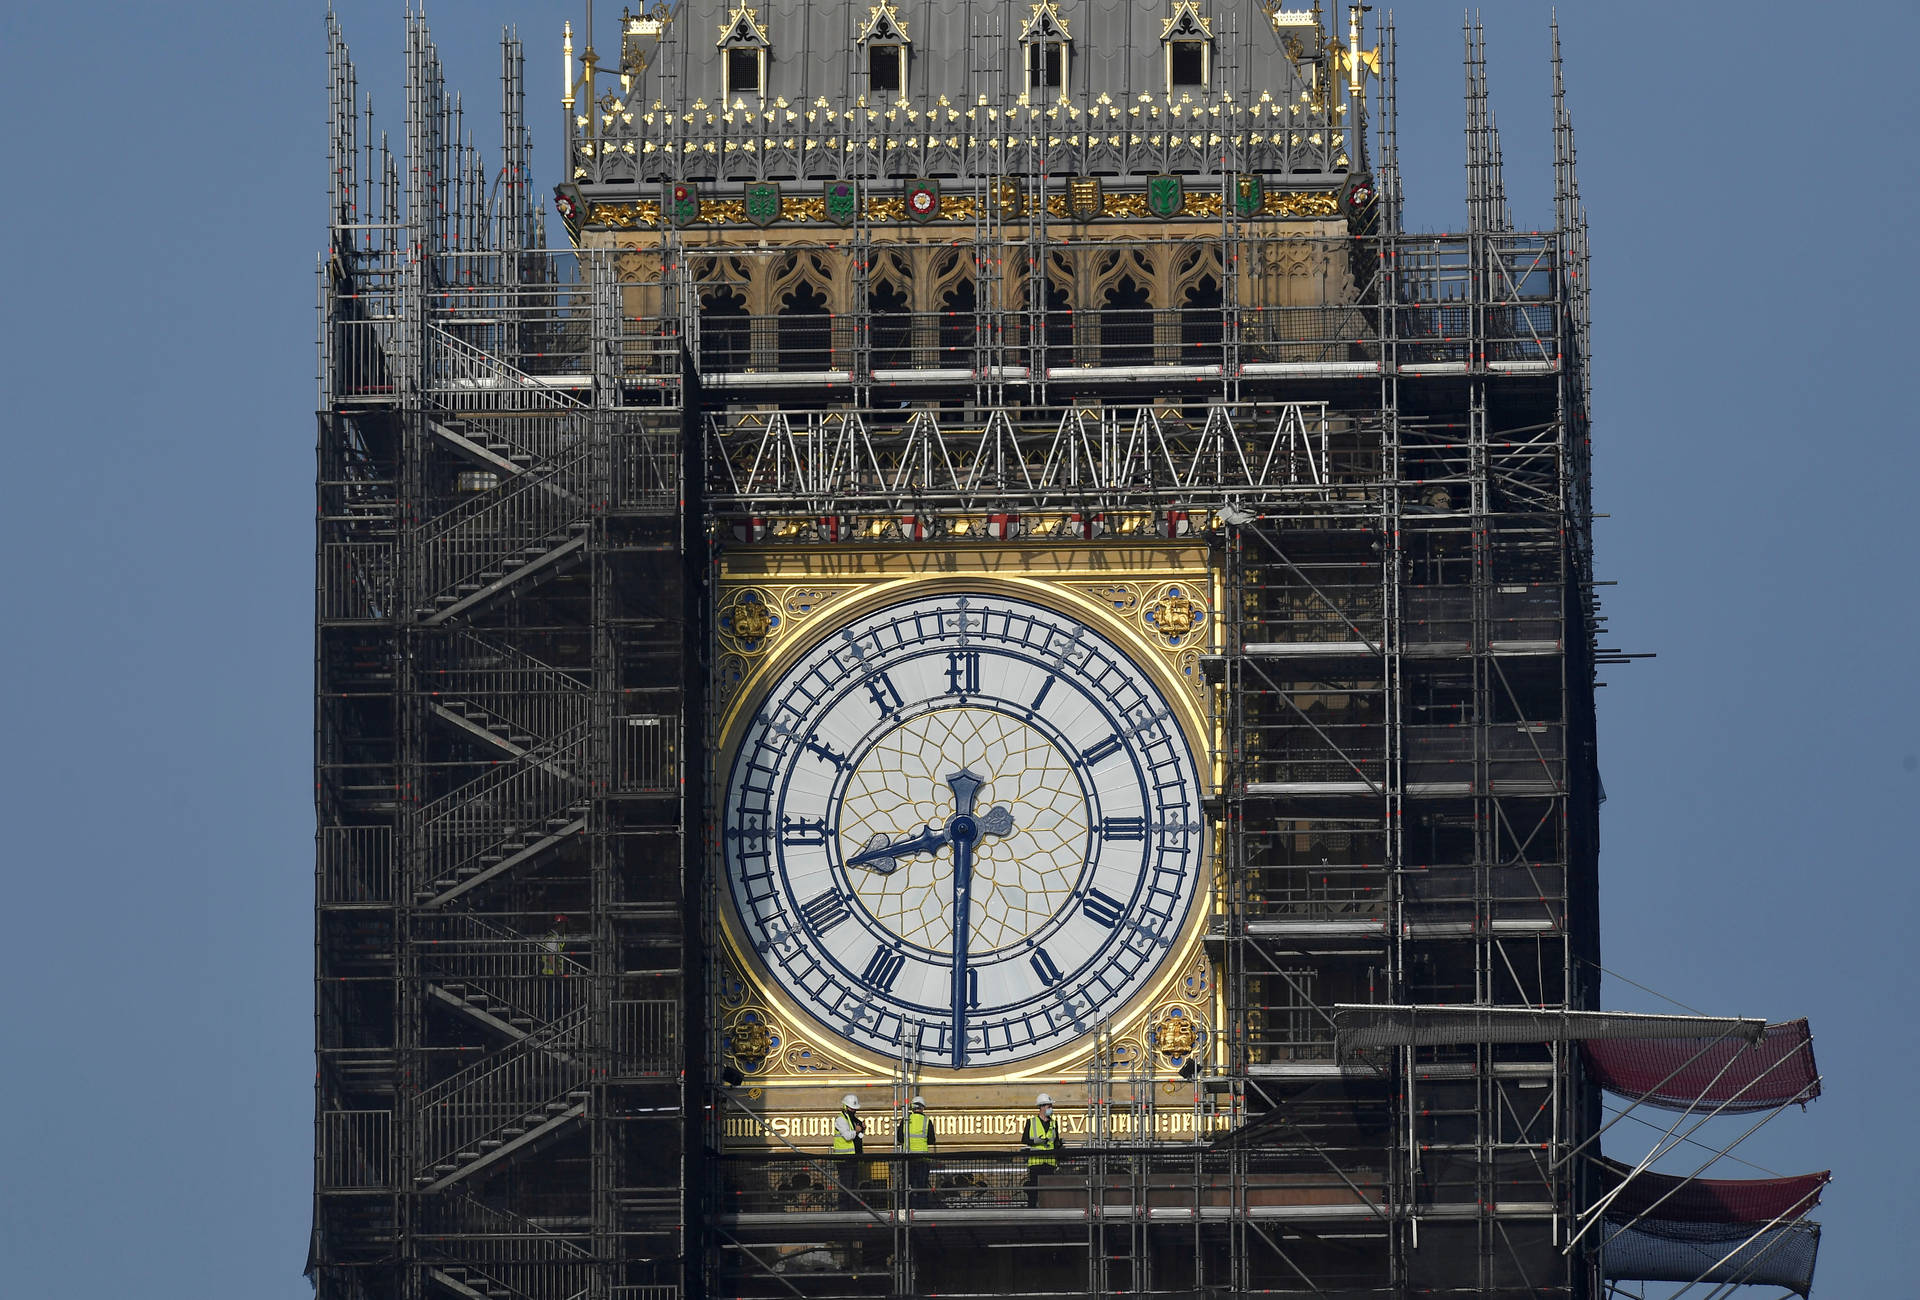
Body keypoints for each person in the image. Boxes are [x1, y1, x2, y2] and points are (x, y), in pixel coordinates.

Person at [1020, 1092, 1064, 1207]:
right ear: (1042, 1107)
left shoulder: (1053, 1123)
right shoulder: (1031, 1122)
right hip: (1036, 1162)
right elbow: (1024, 1139)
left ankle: (1048, 1210)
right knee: (1034, 1189)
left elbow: (1056, 1141)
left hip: (1049, 1162)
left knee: (1048, 1190)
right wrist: (1036, 1141)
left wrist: (1059, 1145)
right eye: (1049, 1106)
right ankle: (1032, 1210)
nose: (1051, 1109)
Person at [894, 1095, 936, 1204]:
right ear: (922, 1107)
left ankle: (907, 1207)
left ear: (912, 1107)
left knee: (908, 1185)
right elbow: (932, 1140)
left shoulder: (906, 1120)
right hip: (922, 1159)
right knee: (922, 1185)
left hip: (908, 1158)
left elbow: (899, 1138)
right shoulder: (927, 1121)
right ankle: (921, 1209)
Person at [831, 1093, 865, 1210]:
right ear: (845, 1107)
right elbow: (847, 1136)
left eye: (855, 1109)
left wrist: (860, 1130)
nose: (854, 1111)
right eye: (852, 1108)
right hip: (844, 1159)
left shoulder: (851, 1119)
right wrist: (856, 1131)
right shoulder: (841, 1119)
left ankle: (853, 1208)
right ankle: (844, 1209)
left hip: (853, 1158)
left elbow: (858, 1136)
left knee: (853, 1186)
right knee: (845, 1186)